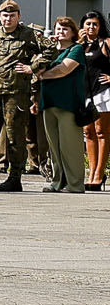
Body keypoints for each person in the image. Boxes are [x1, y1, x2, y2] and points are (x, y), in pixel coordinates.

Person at [0, 0, 42, 191]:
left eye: (12, 15)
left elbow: (50, 51)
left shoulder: (29, 35)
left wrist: (32, 68)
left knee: (15, 136)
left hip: (16, 94)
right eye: (5, 15)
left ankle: (15, 178)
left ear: (18, 17)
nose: (8, 19)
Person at [31, 17, 88, 194]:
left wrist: (43, 75)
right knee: (53, 147)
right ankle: (57, 182)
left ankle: (75, 184)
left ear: (72, 32)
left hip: (68, 103)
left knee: (70, 146)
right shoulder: (50, 51)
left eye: (65, 29)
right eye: (58, 29)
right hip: (48, 102)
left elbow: (64, 69)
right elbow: (35, 66)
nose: (60, 32)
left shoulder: (76, 49)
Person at [80, 10, 110, 191]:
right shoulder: (79, 45)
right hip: (84, 93)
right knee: (88, 132)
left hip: (103, 92)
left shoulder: (106, 43)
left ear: (100, 27)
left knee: (101, 132)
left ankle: (99, 173)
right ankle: (91, 172)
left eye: (95, 24)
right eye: (88, 24)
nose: (91, 27)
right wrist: (77, 43)